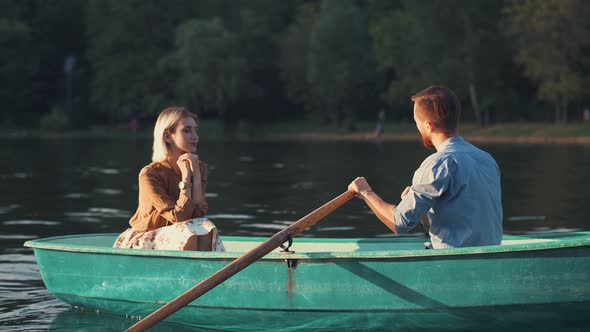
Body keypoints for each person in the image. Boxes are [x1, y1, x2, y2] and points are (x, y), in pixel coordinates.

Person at [348, 86, 502, 249]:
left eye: (417, 123)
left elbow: (399, 223)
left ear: (428, 126)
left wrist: (366, 193)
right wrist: (425, 208)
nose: (418, 128)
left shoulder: (437, 164)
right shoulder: (487, 159)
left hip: (453, 262)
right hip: (489, 255)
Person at [113, 106, 224, 251]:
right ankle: (189, 271)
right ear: (167, 136)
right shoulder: (150, 174)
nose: (195, 136)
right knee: (187, 231)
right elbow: (179, 218)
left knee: (205, 226)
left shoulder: (199, 168)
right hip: (145, 238)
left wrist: (195, 176)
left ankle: (201, 271)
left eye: (195, 130)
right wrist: (185, 180)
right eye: (186, 130)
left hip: (180, 232)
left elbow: (198, 215)